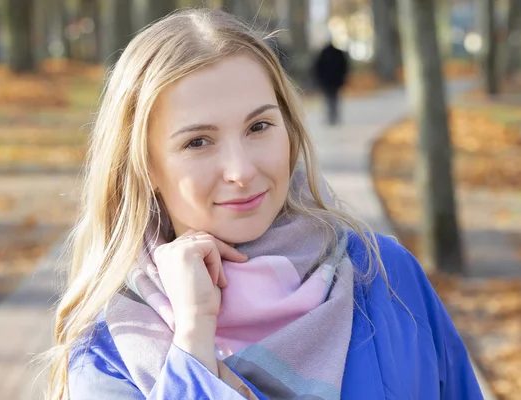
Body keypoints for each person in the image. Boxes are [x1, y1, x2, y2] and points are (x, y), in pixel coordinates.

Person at [44, 9, 483, 400]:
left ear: (289, 130)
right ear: (145, 167)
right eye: (198, 141)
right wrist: (194, 340)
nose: (242, 170)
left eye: (259, 126)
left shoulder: (386, 277)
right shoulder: (110, 351)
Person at [312, 41, 349, 125]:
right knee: (334, 100)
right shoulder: (338, 53)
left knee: (327, 100)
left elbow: (317, 68)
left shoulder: (323, 54)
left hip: (326, 82)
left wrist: (319, 80)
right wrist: (342, 78)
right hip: (336, 81)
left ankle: (330, 118)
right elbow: (344, 67)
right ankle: (334, 117)